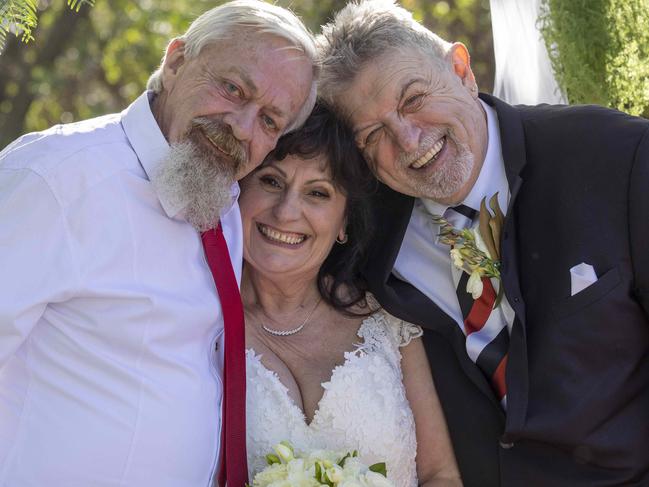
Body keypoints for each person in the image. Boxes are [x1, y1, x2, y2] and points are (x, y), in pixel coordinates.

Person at [316, 1, 649, 486]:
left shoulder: (617, 157)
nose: (409, 141)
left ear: (461, 69)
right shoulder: (363, 237)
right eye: (373, 134)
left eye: (413, 99)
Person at [0, 1, 317, 485]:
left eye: (270, 121)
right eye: (232, 88)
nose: (241, 126)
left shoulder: (229, 205)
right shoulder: (56, 179)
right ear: (175, 62)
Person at [239, 103, 462, 486]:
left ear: (344, 222)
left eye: (318, 193)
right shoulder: (198, 320)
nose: (287, 211)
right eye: (272, 181)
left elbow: (441, 474)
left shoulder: (387, 317)